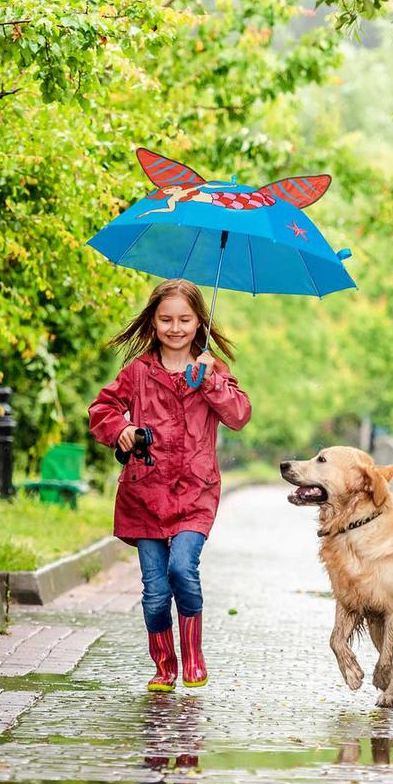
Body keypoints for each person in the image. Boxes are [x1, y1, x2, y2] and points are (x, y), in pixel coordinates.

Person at [89, 279, 251, 691]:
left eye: (184, 319)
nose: (175, 328)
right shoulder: (139, 372)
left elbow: (239, 415)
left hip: (195, 492)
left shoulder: (212, 370)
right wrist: (121, 428)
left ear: (200, 322)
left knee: (183, 568)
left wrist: (213, 381)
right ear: (153, 321)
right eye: (165, 319)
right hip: (144, 494)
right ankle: (164, 665)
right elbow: (102, 408)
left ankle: (194, 655)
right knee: (156, 592)